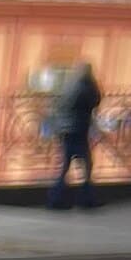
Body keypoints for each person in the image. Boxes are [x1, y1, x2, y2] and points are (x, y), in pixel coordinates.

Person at [47, 60, 103, 210]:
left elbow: (59, 104)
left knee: (65, 166)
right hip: (78, 129)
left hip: (64, 129)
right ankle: (86, 199)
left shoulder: (68, 85)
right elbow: (96, 100)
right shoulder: (86, 86)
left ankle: (56, 199)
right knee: (86, 165)